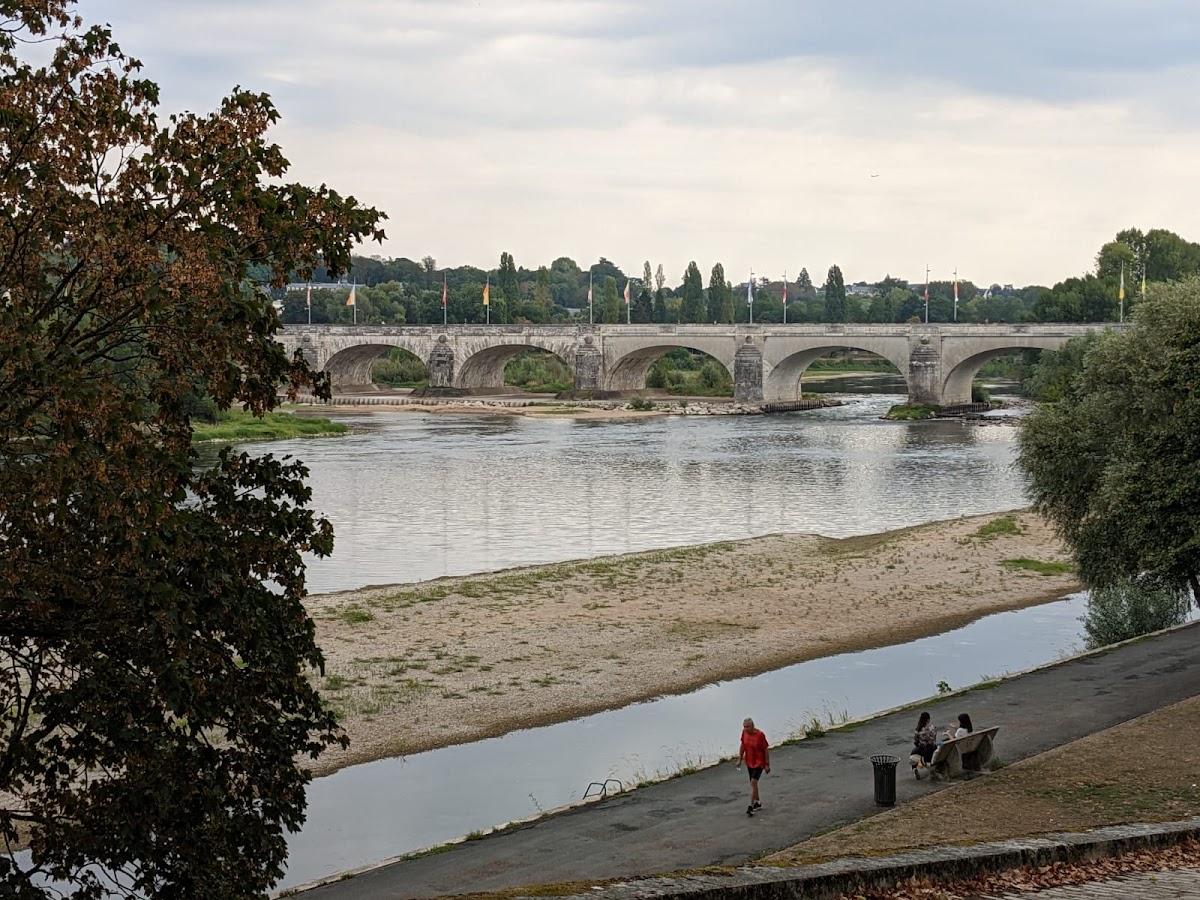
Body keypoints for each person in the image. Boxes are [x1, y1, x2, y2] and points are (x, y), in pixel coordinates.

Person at [735, 717, 770, 816]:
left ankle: (750, 806)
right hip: (749, 761)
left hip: (759, 762)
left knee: (753, 782)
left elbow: (765, 749)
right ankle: (757, 802)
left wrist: (767, 764)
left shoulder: (760, 735)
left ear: (752, 726)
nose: (746, 728)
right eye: (744, 727)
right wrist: (739, 759)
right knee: (753, 784)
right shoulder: (744, 733)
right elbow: (743, 746)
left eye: (747, 727)